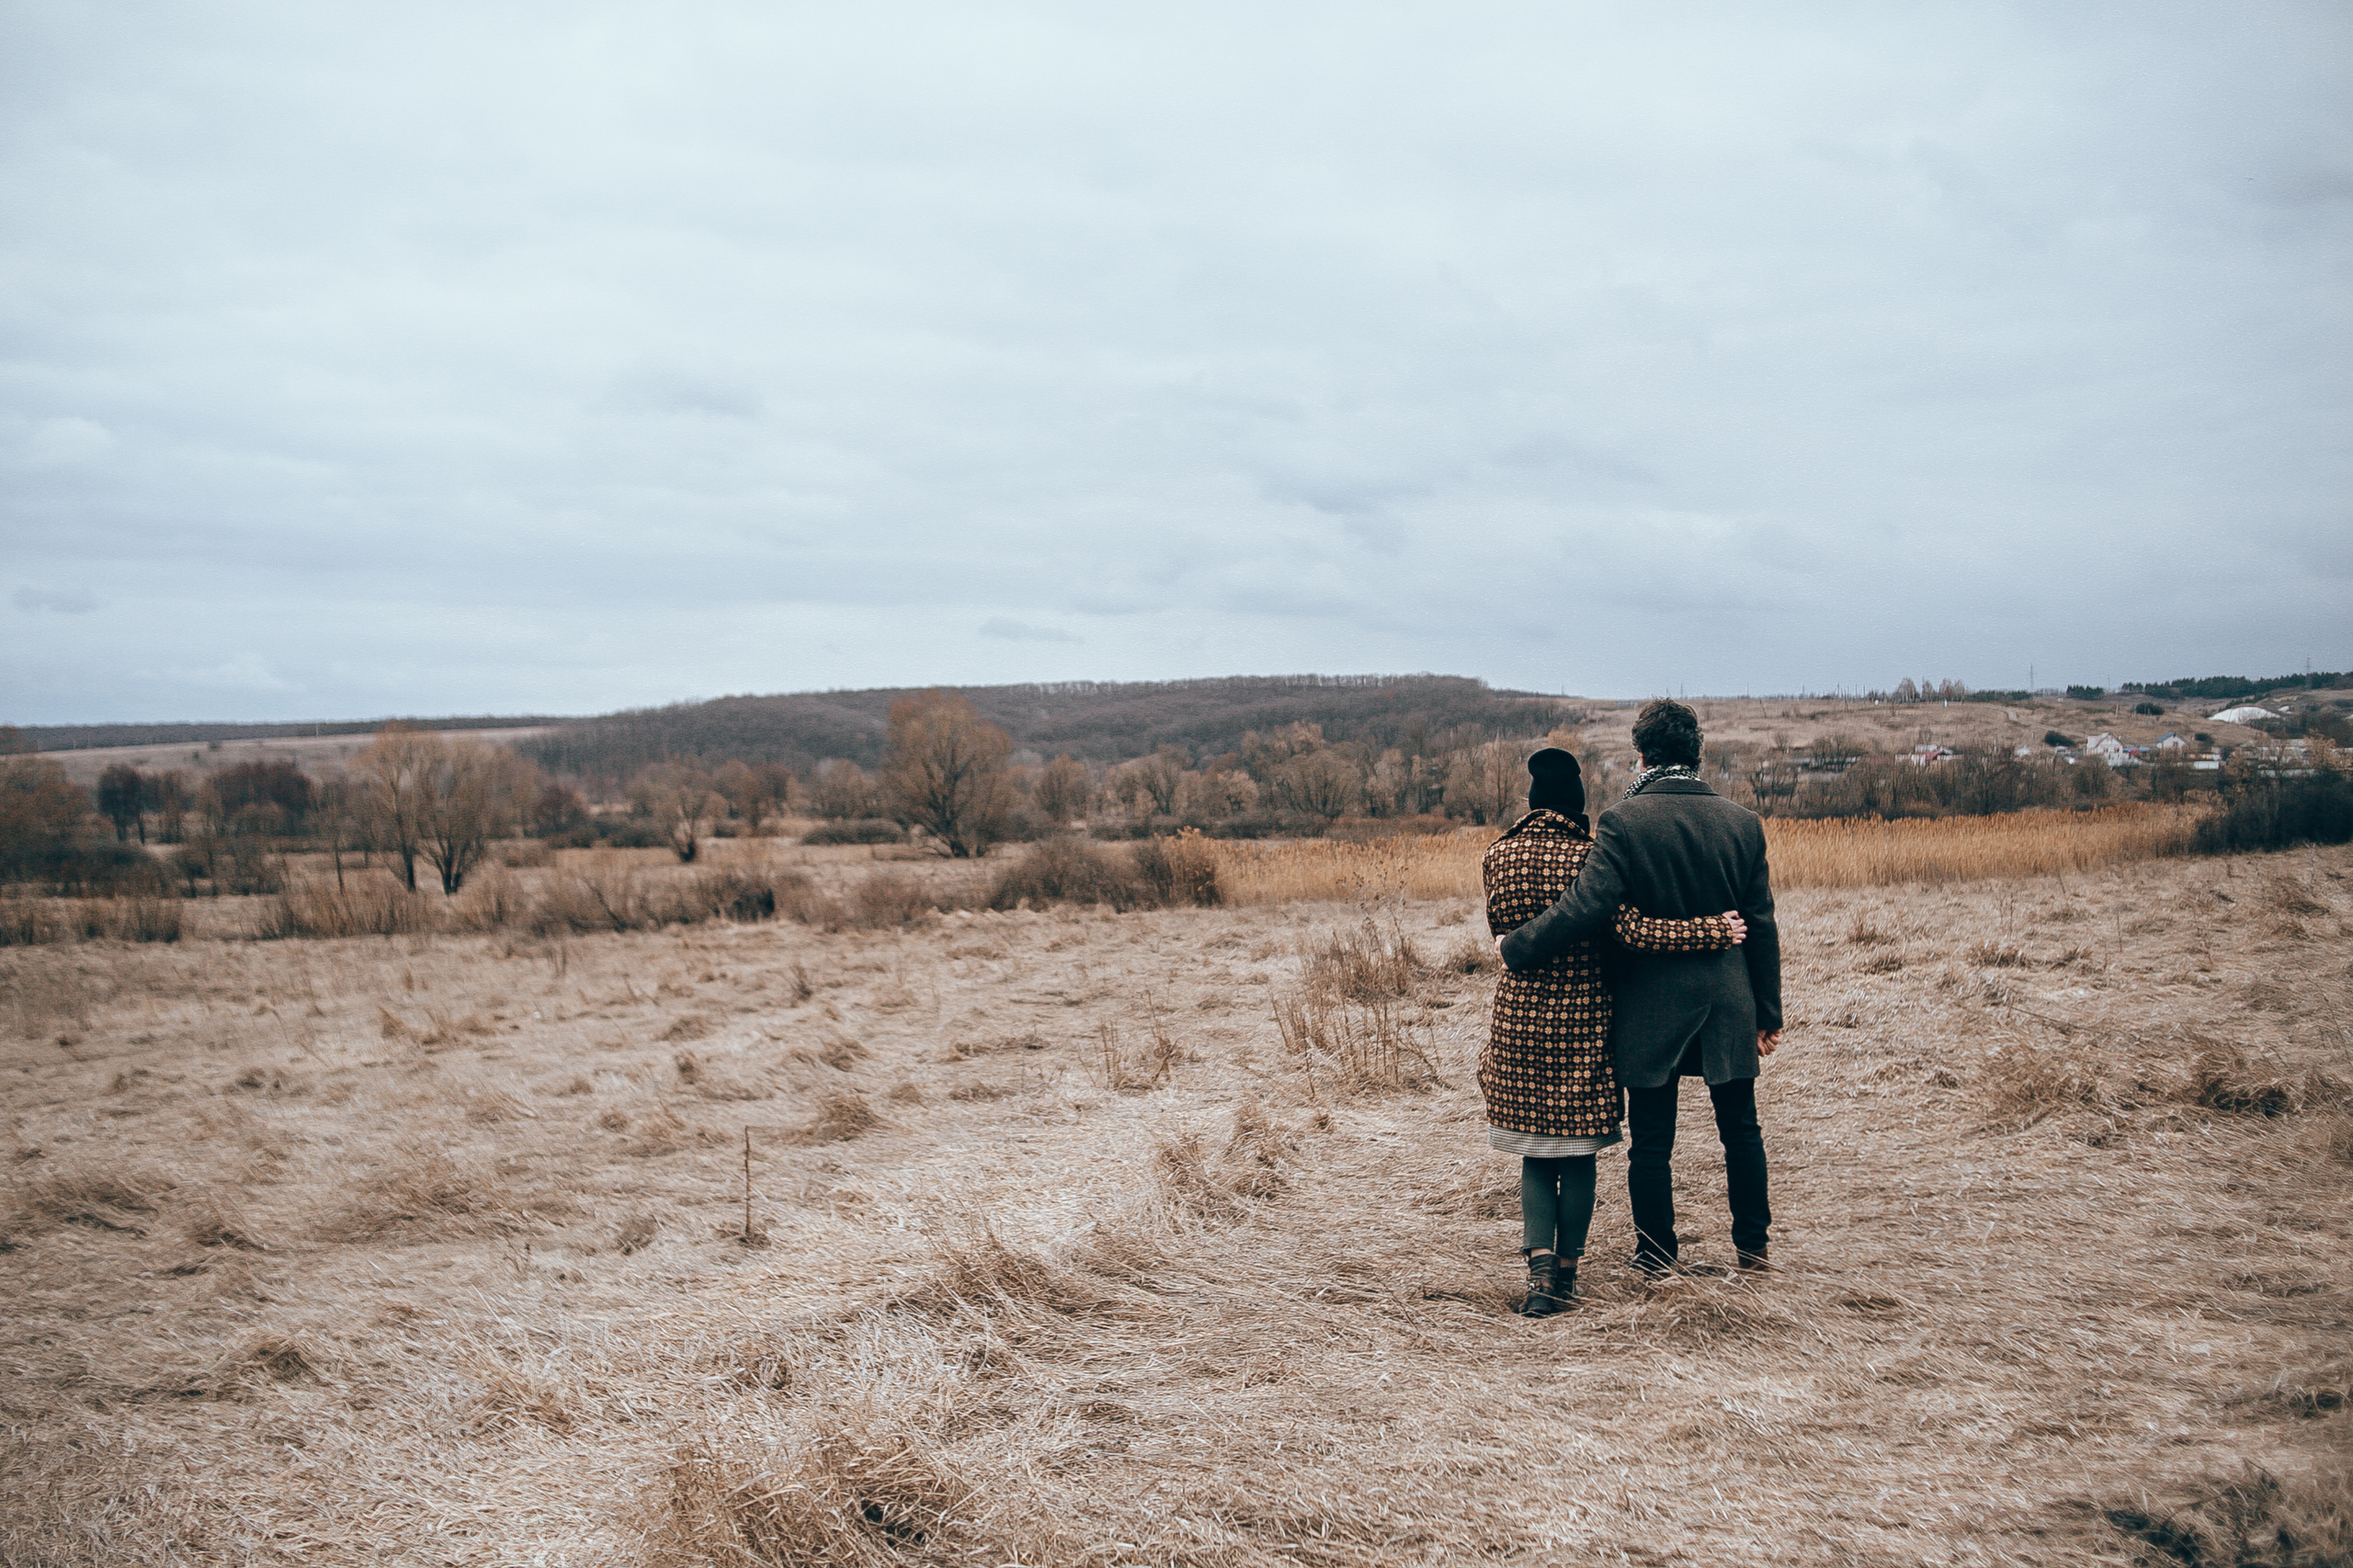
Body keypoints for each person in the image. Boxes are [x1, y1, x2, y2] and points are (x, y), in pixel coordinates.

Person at [1497, 701, 1782, 1276]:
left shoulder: (1623, 821)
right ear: (1695, 753)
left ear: (1642, 754)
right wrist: (1768, 1011)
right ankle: (1753, 1249)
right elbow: (1762, 922)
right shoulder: (1743, 822)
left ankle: (1656, 1256)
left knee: (1651, 1143)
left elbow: (1587, 906)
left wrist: (1517, 946)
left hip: (1650, 1005)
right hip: (1729, 998)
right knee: (1742, 1131)